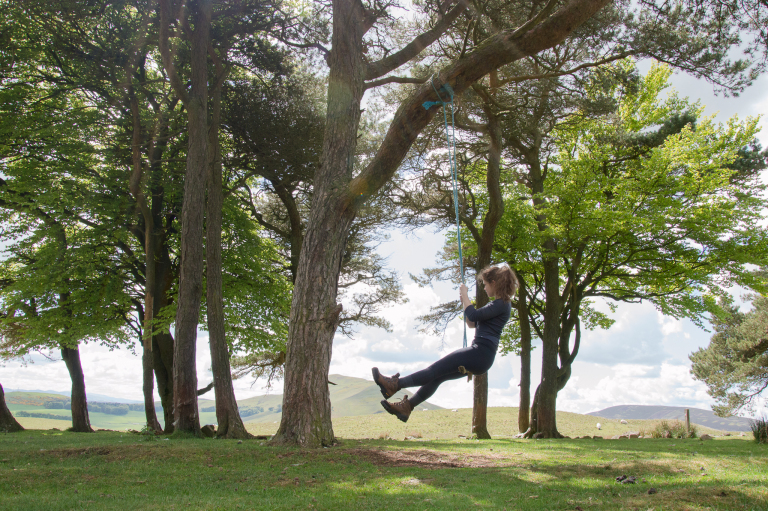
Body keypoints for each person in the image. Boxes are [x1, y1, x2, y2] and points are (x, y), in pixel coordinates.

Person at [372, 265, 518, 422]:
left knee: (433, 370)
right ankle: (407, 407)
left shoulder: (501, 303)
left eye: (485, 284)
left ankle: (394, 385)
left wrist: (465, 294)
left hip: (480, 353)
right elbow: (471, 323)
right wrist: (465, 303)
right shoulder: (499, 305)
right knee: (437, 377)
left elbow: (473, 314)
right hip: (482, 356)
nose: (484, 287)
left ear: (494, 283)